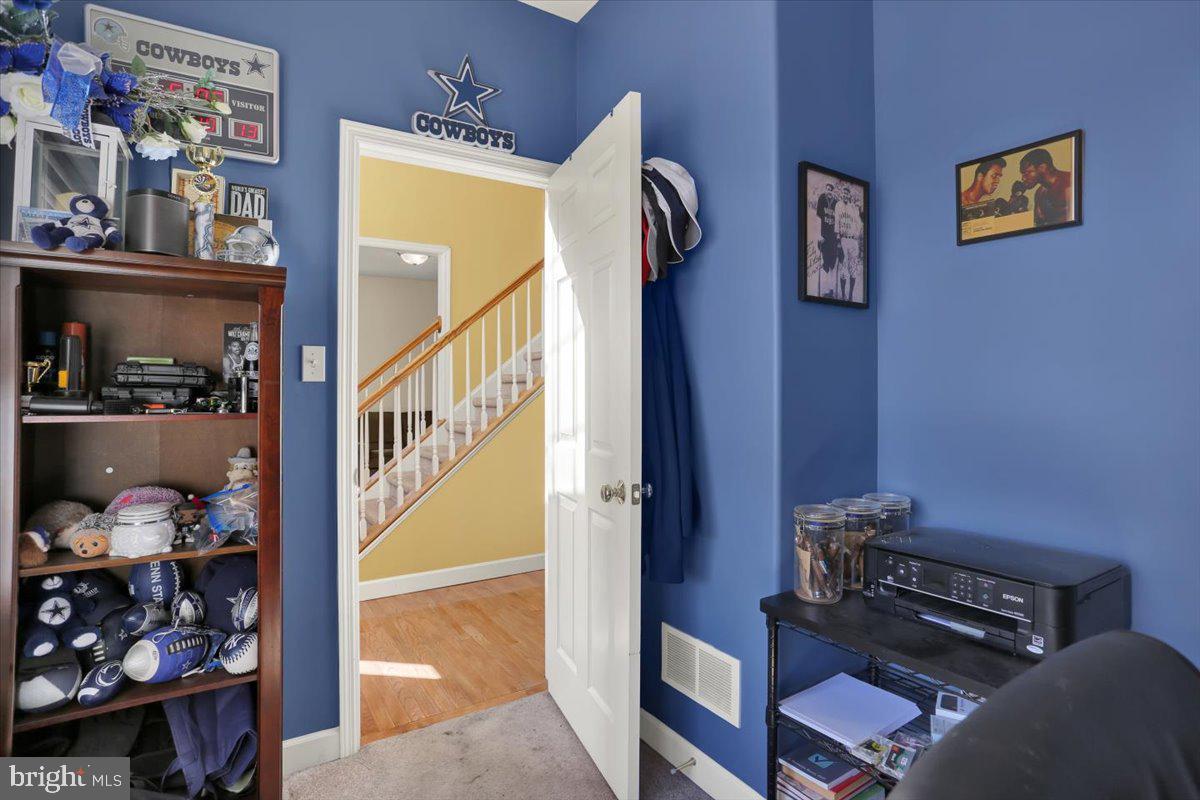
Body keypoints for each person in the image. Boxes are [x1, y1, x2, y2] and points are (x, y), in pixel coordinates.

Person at [1019, 148, 1072, 227]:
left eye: (1027, 173)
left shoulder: (1070, 181)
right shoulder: (1040, 193)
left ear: (1042, 168)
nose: (1023, 178)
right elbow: (1039, 225)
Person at [834, 185, 864, 301]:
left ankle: (850, 295)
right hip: (844, 239)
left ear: (849, 195)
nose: (845, 195)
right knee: (843, 267)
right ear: (842, 194)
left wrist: (856, 235)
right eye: (844, 193)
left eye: (847, 193)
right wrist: (838, 238)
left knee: (853, 268)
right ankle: (843, 295)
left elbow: (860, 224)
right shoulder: (839, 205)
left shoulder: (853, 208)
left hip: (853, 241)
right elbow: (836, 221)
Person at [815, 182, 839, 295]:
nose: (829, 190)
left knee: (832, 264)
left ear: (833, 191)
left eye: (831, 189)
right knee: (825, 263)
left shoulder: (836, 202)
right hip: (824, 235)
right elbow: (818, 217)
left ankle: (831, 290)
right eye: (827, 188)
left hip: (833, 237)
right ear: (825, 189)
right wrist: (819, 234)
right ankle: (824, 290)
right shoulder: (822, 199)